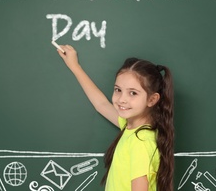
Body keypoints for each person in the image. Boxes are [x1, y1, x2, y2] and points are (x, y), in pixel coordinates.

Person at [56, 45, 175, 191]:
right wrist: (74, 66)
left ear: (152, 99)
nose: (121, 99)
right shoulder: (131, 127)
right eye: (118, 90)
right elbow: (101, 104)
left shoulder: (141, 142)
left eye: (133, 93)